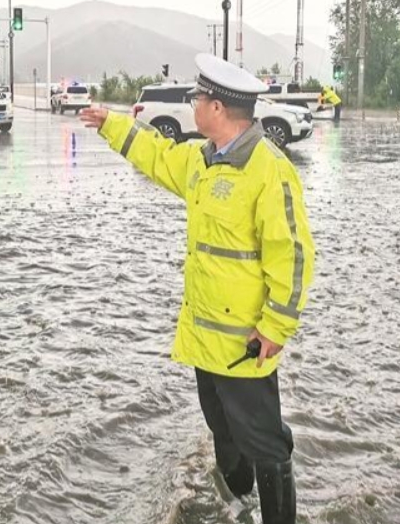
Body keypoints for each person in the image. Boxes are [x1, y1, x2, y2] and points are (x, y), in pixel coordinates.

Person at [81, 53, 315, 524]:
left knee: (265, 439)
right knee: (223, 431)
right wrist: (110, 123)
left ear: (218, 108)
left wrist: (274, 329)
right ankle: (237, 505)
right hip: (205, 339)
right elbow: (156, 155)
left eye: (199, 97)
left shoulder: (268, 169)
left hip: (246, 344)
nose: (193, 102)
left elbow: (292, 256)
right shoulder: (203, 161)